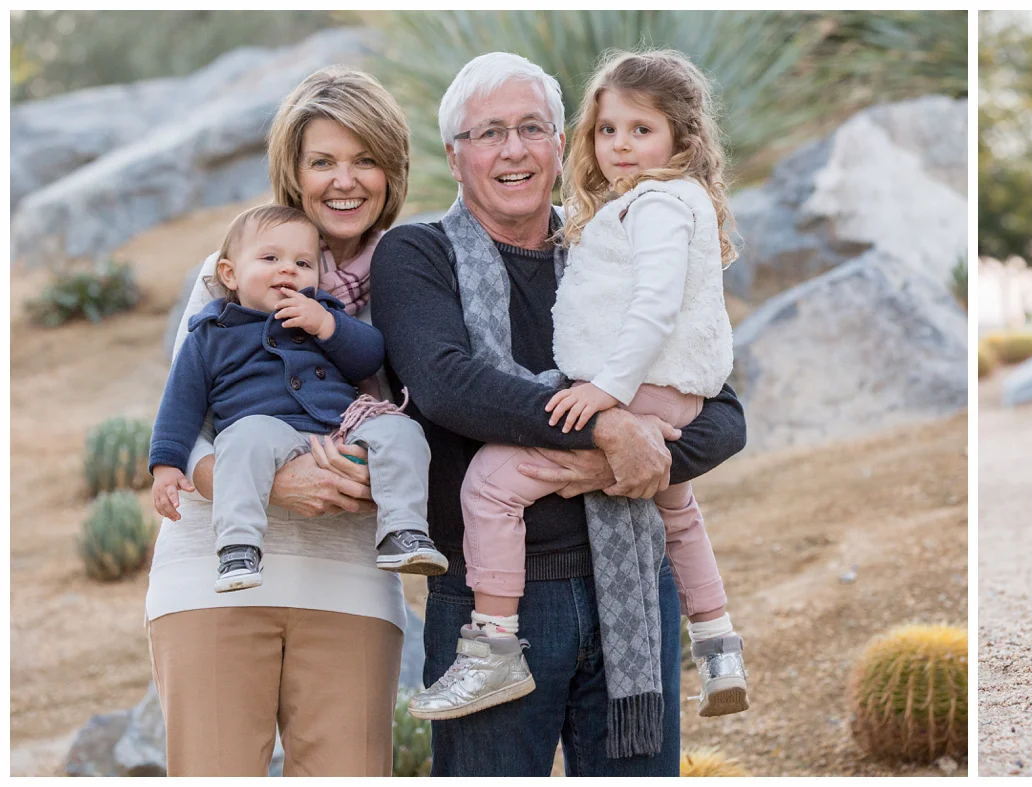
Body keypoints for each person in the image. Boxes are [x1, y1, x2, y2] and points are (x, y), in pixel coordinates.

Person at [371, 51, 748, 776]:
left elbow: (723, 414)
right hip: (491, 604)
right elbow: (452, 386)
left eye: (531, 127)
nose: (513, 149)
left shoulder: (616, 241)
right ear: (454, 156)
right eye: (488, 133)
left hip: (633, 589)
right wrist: (611, 432)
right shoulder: (416, 255)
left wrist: (639, 451)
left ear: (557, 141)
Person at [145, 66, 423, 775]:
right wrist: (273, 481)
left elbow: (422, 417)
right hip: (214, 580)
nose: (345, 180)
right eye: (323, 160)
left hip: (352, 585)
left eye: (365, 159)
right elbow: (188, 419)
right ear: (293, 172)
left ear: (392, 170)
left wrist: (363, 477)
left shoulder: (412, 277)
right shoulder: (235, 271)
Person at [148, 204, 445, 592]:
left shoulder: (324, 315)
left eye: (303, 263)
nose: (288, 269)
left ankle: (403, 531)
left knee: (401, 431)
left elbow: (369, 359)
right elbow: (179, 403)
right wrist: (165, 465)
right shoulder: (211, 334)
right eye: (270, 258)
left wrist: (327, 325)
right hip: (266, 433)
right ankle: (238, 545)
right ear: (229, 274)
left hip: (338, 431)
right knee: (242, 437)